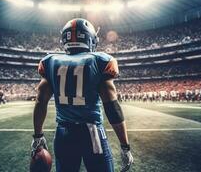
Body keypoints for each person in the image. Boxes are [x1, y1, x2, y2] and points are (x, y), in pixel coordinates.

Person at [31, 18, 133, 172]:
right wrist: (125, 146)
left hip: (63, 134)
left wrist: (38, 136)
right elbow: (112, 107)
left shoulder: (51, 61)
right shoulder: (99, 61)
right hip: (92, 133)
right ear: (90, 38)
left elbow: (40, 101)